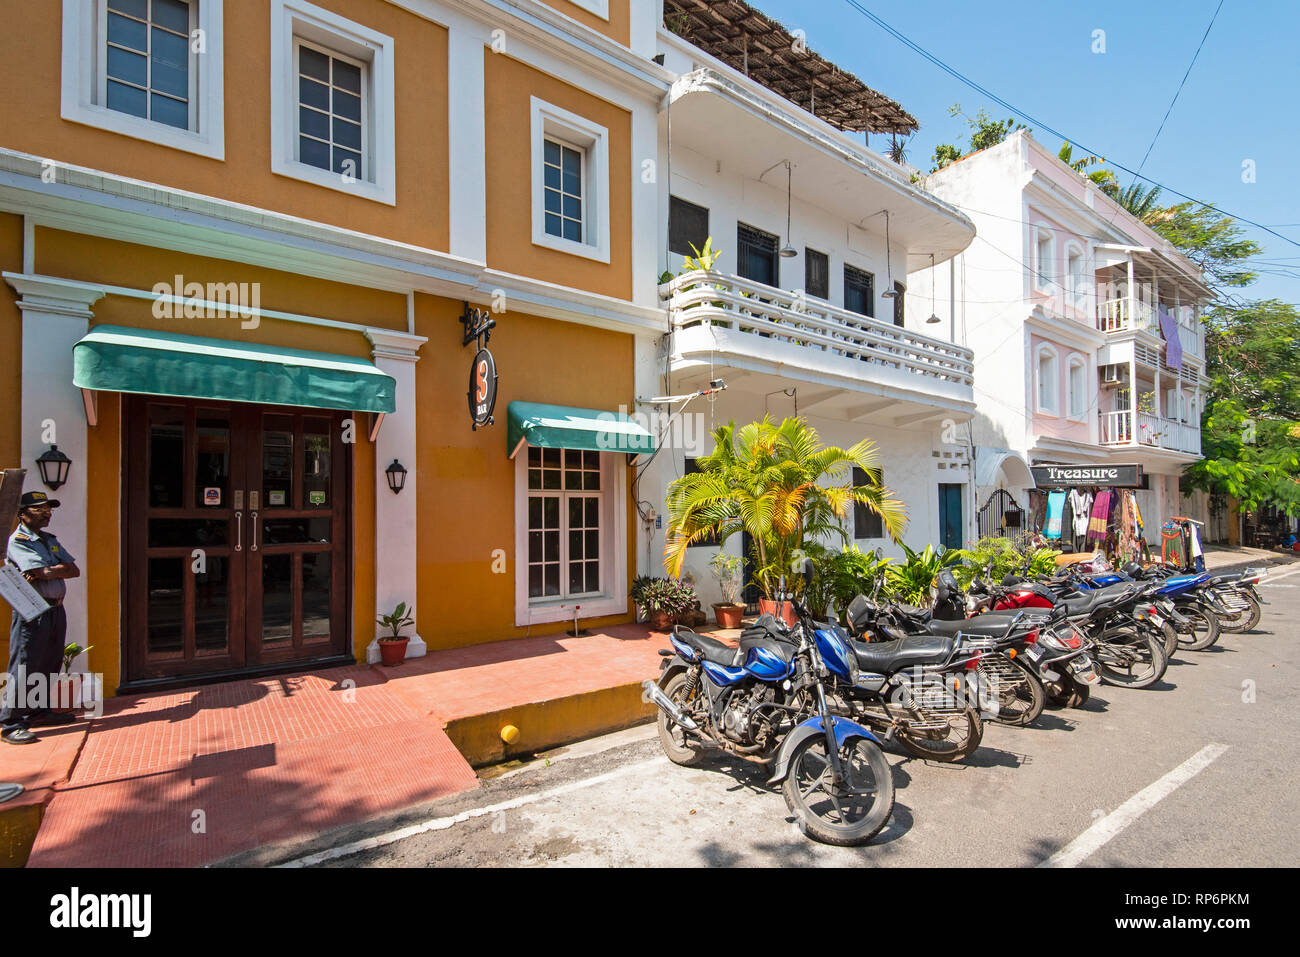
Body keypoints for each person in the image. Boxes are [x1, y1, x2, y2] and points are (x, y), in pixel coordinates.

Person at [2, 491, 80, 745]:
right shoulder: (18, 541)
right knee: (25, 664)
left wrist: (51, 571)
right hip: (32, 609)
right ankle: (10, 722)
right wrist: (53, 570)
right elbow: (39, 570)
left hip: (55, 608)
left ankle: (37, 711)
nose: (46, 513)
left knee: (50, 661)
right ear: (22, 514)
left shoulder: (48, 540)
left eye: (48, 508)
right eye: (39, 509)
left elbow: (73, 569)